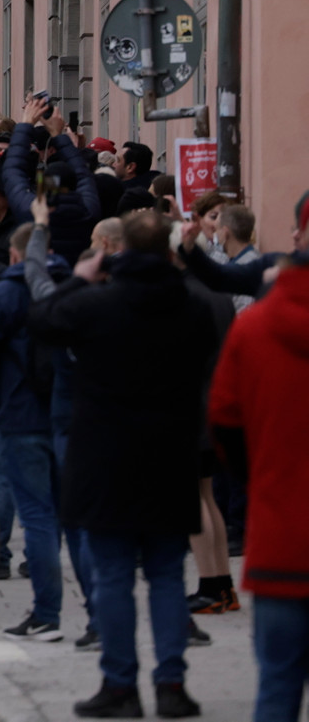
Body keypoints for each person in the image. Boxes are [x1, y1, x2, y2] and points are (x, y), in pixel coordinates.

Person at [30, 211, 219, 719]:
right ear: (168, 252)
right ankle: (172, 684)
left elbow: (43, 322)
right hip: (171, 452)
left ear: (120, 251)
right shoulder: (194, 307)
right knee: (165, 574)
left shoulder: (96, 303)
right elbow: (208, 360)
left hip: (105, 455)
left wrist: (79, 279)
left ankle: (119, 685)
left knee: (112, 574)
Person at [207, 211, 309, 722]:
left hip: (282, 545)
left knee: (277, 690)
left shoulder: (256, 327)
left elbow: (223, 418)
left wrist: (258, 479)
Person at [0, 222, 67, 641]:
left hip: (19, 411)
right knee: (63, 515)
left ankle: (46, 612)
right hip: (65, 413)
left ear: (15, 255)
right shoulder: (72, 286)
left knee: (34, 512)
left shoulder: (7, 291)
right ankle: (95, 618)